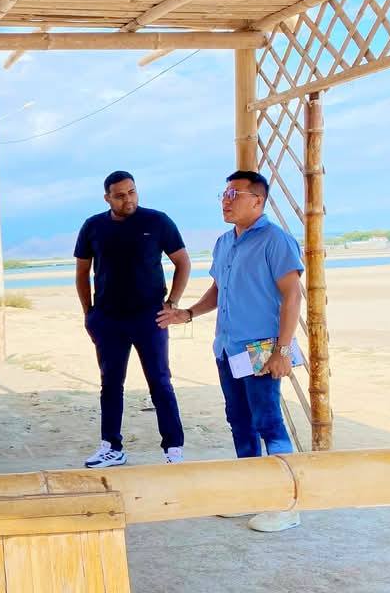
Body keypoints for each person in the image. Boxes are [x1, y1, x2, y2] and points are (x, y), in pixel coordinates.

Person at [157, 170, 303, 533]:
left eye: (234, 194)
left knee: (267, 420)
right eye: (224, 194)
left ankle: (286, 504)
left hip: (262, 348)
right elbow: (219, 290)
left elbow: (292, 295)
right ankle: (250, 493)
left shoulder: (276, 240)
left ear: (258, 200)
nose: (226, 200)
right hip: (227, 347)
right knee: (239, 420)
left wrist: (283, 351)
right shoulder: (224, 242)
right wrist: (188, 313)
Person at [76, 170, 191, 468]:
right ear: (107, 198)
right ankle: (111, 447)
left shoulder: (157, 221)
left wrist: (172, 303)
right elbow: (82, 272)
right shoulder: (93, 226)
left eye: (132, 192)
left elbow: (182, 262)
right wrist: (89, 314)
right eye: (120, 195)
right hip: (108, 319)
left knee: (160, 381)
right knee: (111, 383)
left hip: (150, 317)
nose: (128, 199)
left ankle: (173, 449)